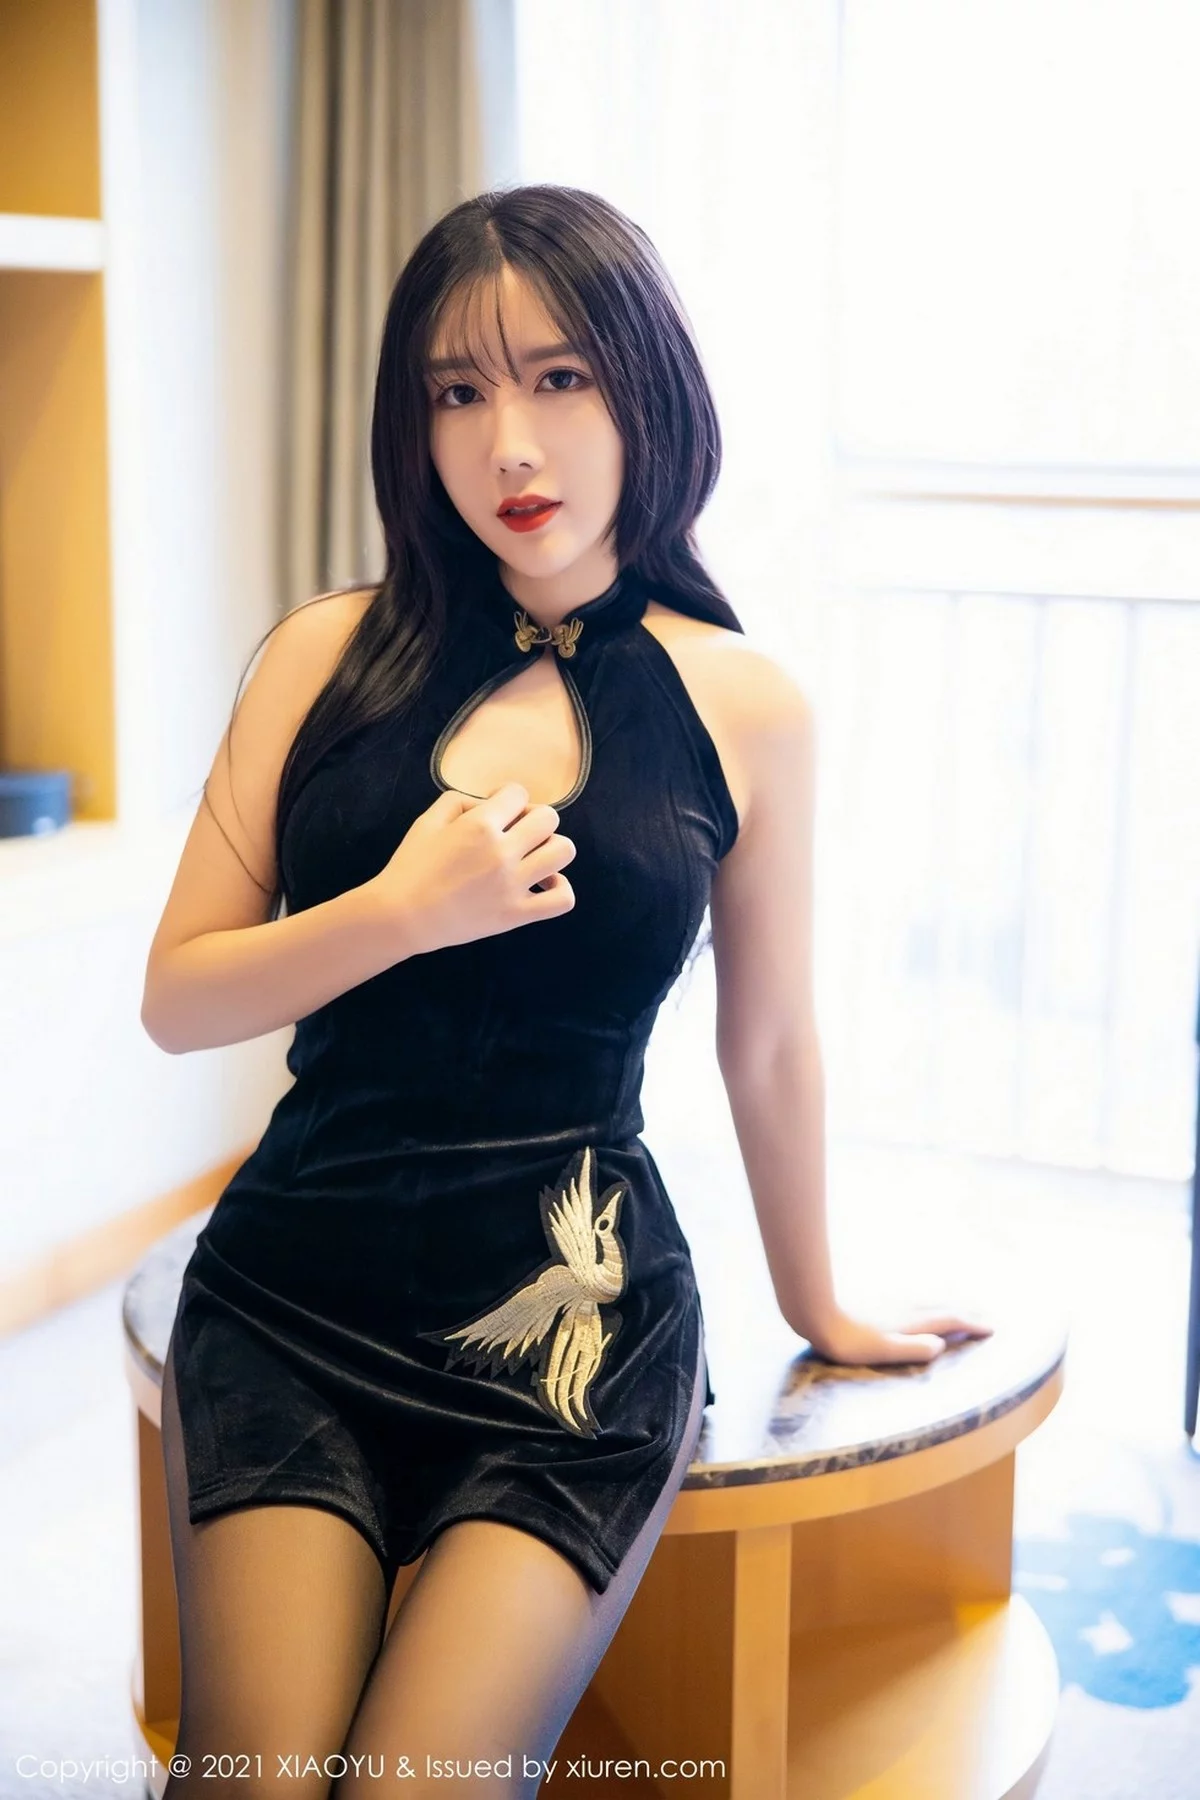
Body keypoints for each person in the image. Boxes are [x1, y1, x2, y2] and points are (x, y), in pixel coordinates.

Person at [142, 183, 992, 1798]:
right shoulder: (324, 656)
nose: (510, 445)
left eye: (559, 378)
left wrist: (820, 1307)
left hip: (572, 1332)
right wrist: (398, 913)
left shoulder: (743, 702)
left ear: (643, 389)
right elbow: (179, 1001)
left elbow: (770, 1042)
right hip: (296, 1297)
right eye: (458, 392)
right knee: (249, 1781)